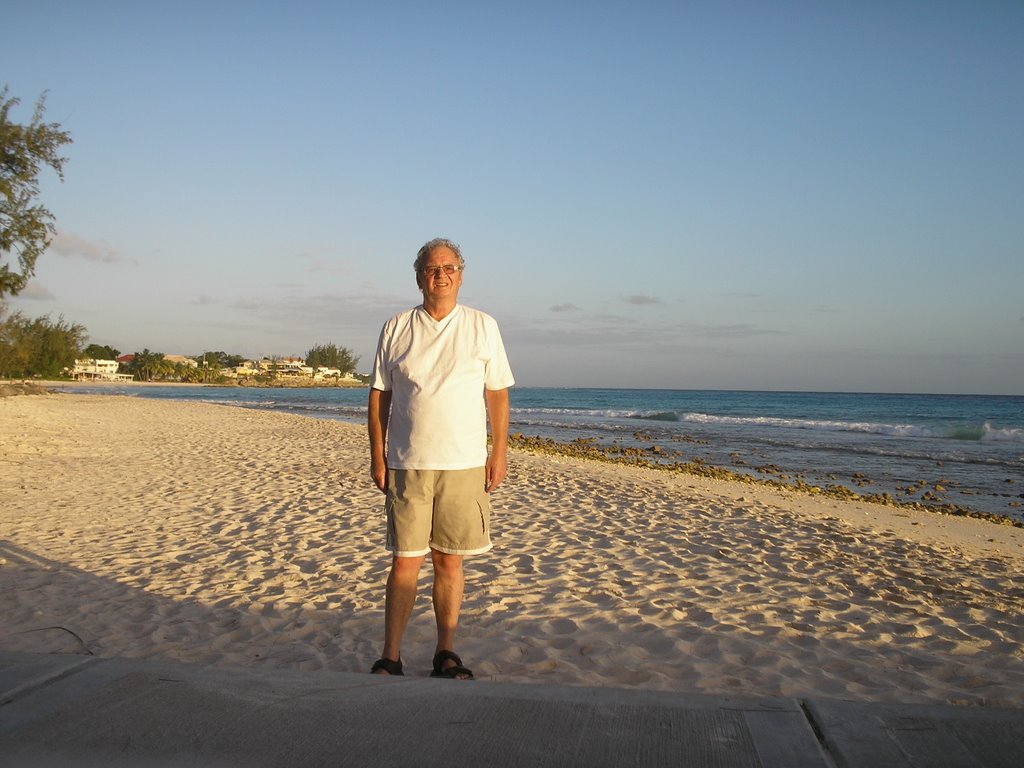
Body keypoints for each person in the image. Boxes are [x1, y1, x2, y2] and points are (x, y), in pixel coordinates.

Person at [367, 237, 514, 679]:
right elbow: (379, 396)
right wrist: (377, 456)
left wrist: (499, 452)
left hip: (465, 462)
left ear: (461, 275)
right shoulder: (396, 327)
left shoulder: (482, 326)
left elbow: (498, 395)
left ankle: (445, 653)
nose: (441, 275)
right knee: (405, 562)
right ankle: (391, 656)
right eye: (432, 269)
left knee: (449, 560)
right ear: (419, 278)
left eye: (450, 268)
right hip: (408, 462)